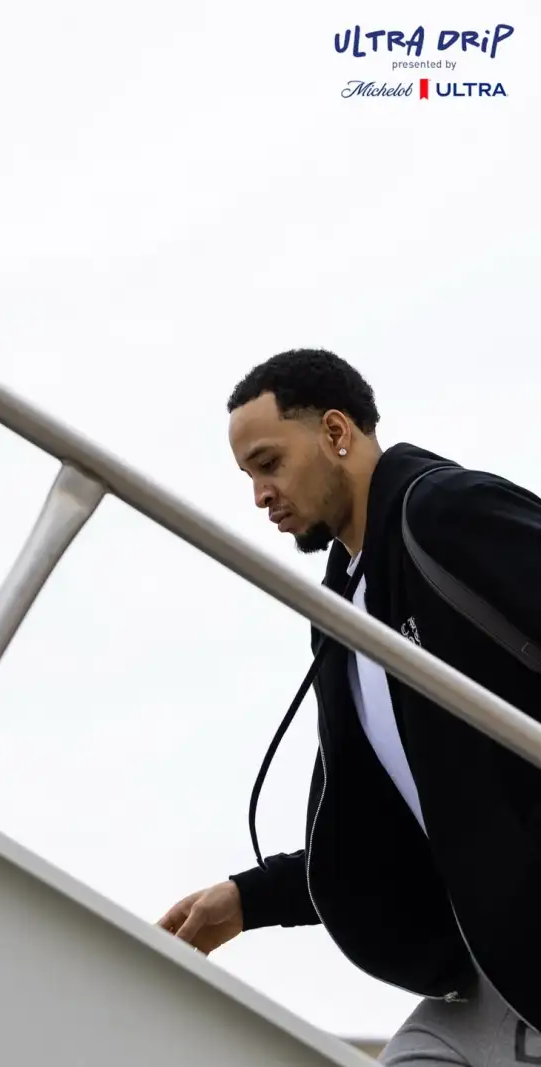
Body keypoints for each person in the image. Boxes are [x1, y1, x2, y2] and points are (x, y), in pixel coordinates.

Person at [157, 349, 541, 1067]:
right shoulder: (341, 611)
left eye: (268, 463)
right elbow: (384, 821)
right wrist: (251, 898)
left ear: (337, 432)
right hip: (490, 973)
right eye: (247, 475)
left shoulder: (442, 512)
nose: (259, 494)